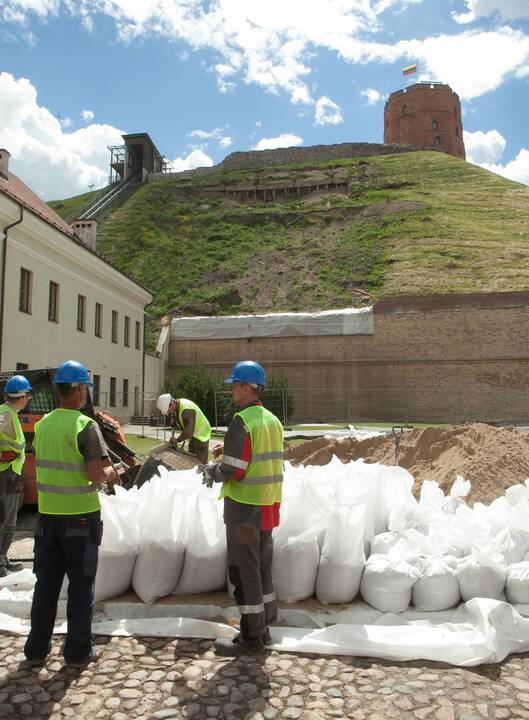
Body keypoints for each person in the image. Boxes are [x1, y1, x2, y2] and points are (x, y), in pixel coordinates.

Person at [24, 361, 119, 668]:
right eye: (85, 389)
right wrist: (112, 473)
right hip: (80, 518)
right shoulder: (84, 426)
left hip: (47, 518)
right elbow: (94, 474)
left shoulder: (43, 424)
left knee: (46, 584)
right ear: (79, 390)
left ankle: (36, 649)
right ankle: (78, 652)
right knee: (80, 587)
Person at [203, 360, 284, 656]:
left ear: (247, 388)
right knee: (262, 570)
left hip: (244, 509)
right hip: (267, 505)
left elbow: (234, 470)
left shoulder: (242, 421)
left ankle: (250, 637)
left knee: (244, 572)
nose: (232, 390)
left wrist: (212, 470)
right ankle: (263, 629)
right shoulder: (272, 420)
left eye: (235, 385)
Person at [0, 375, 32, 578]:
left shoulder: (9, 412)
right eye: (27, 395)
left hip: (9, 473)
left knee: (6, 520)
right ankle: (0, 561)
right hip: (7, 475)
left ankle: (2, 558)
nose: (28, 399)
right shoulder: (6, 414)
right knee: (7, 521)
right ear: (22, 397)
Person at [156, 393, 211, 465]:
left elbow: (189, 432)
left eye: (169, 411)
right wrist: (174, 419)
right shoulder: (178, 405)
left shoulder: (187, 410)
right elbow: (179, 416)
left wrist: (177, 440)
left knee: (200, 466)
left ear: (172, 403)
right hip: (195, 437)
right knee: (192, 463)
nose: (169, 413)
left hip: (202, 437)